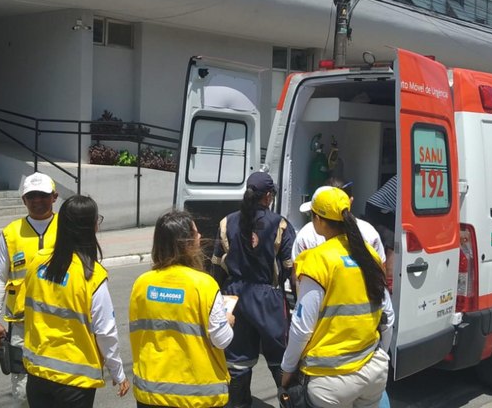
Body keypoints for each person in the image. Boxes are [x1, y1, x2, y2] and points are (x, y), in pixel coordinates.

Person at [281, 187, 395, 408]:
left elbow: (302, 328)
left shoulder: (316, 261)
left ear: (319, 219)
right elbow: (387, 316)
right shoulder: (369, 255)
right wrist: (378, 355)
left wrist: (287, 370)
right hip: (373, 370)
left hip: (331, 380)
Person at [22, 195, 129, 407]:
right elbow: (105, 333)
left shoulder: (38, 261)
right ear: (90, 228)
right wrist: (118, 373)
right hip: (74, 382)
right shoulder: (92, 275)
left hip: (37, 374)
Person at [130, 210, 234, 408]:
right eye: (195, 233)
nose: (200, 236)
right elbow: (222, 340)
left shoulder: (141, 284)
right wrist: (227, 320)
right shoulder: (205, 285)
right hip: (198, 396)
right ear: (186, 243)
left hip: (151, 393)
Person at [211, 171, 295, 407]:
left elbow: (216, 266)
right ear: (268, 196)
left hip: (234, 298)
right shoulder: (279, 224)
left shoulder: (227, 222)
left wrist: (217, 300)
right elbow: (290, 268)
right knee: (280, 360)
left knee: (237, 363)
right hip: (269, 300)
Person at [0, 172, 59, 407]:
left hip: (60, 322)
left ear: (54, 197)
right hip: (21, 325)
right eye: (31, 196)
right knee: (22, 391)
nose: (37, 200)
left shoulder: (67, 228)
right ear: (23, 200)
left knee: (59, 384)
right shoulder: (10, 233)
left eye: (42, 195)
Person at [293, 179, 385, 264]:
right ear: (350, 201)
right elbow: (381, 271)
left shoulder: (306, 235)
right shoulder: (369, 232)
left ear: (317, 219)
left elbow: (297, 276)